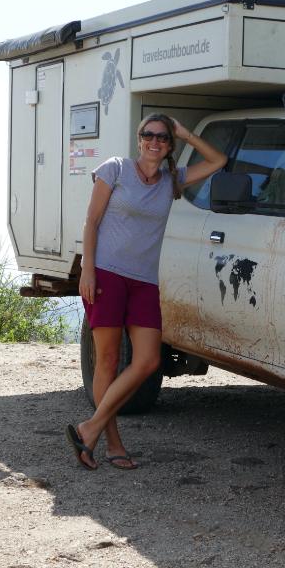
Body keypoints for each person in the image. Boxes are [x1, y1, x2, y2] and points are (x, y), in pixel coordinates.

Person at [65, 114, 227, 470]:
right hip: (106, 274)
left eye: (163, 137)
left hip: (144, 281)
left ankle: (88, 428)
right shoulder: (115, 169)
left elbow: (218, 161)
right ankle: (110, 443)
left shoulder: (172, 180)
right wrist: (87, 270)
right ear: (138, 140)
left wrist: (184, 131)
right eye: (148, 135)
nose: (155, 141)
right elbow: (91, 221)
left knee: (148, 361)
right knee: (107, 361)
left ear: (169, 146)